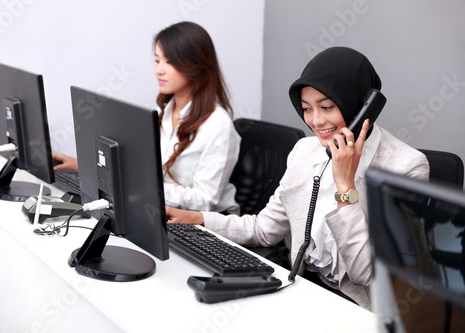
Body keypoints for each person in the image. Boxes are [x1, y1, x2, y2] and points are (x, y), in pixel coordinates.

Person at [165, 46, 430, 310]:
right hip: (303, 289)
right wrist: (196, 219)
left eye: (327, 106)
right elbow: (264, 229)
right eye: (306, 108)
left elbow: (368, 273)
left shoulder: (407, 167)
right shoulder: (306, 151)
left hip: (360, 309)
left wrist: (345, 185)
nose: (316, 121)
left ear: (362, 106)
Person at [54, 21, 240, 214]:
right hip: (161, 209)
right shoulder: (163, 112)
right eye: (157, 60)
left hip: (204, 226)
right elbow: (140, 170)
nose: (159, 70)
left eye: (169, 62)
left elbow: (204, 201)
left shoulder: (219, 126)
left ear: (197, 66)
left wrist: (140, 187)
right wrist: (85, 167)